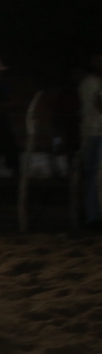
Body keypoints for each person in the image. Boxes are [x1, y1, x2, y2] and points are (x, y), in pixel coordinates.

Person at [79, 53, 102, 228]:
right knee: (95, 175)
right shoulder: (93, 83)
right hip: (96, 132)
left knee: (92, 176)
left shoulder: (88, 82)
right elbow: (99, 105)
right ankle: (92, 215)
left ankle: (90, 214)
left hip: (91, 132)